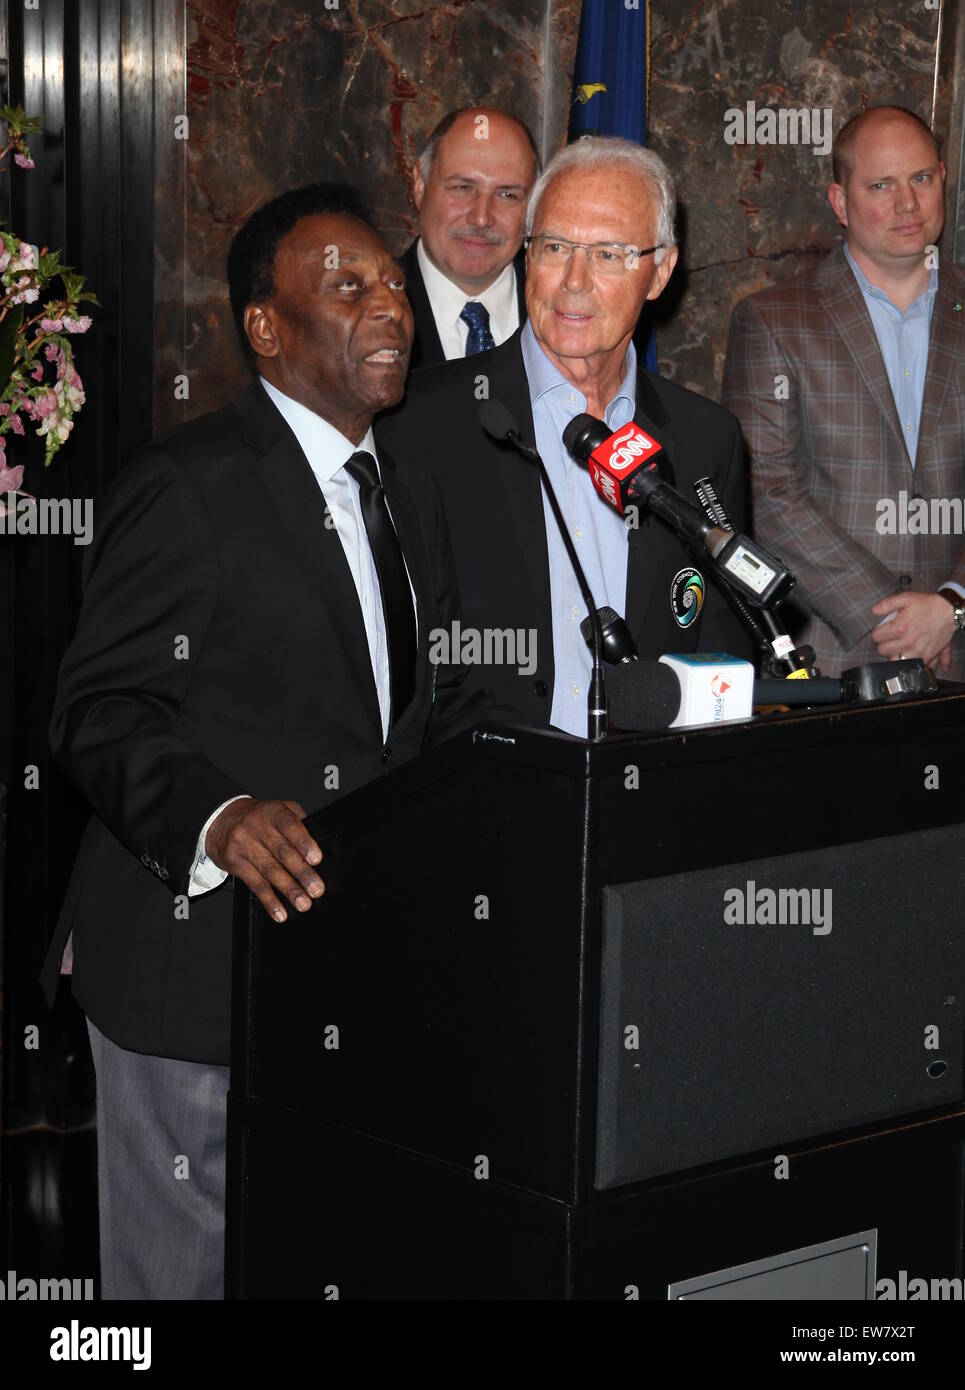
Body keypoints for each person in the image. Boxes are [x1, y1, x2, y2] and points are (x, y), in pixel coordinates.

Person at [40, 182, 491, 1299]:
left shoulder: (408, 494)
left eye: (391, 282)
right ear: (265, 327)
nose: (389, 305)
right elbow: (96, 711)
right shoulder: (188, 485)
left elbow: (398, 725)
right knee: (177, 1284)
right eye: (348, 287)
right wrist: (219, 813)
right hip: (189, 967)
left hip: (338, 976)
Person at [377, 136, 751, 734]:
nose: (573, 282)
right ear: (528, 254)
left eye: (608, 255)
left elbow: (723, 649)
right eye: (554, 247)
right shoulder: (421, 421)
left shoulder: (707, 437)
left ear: (659, 272)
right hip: (481, 791)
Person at [722, 105, 965, 680]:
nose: (908, 204)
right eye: (881, 185)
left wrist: (952, 605)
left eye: (921, 179)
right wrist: (893, 619)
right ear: (840, 202)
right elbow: (766, 493)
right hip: (829, 656)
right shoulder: (774, 320)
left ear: (943, 179)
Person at [402, 106, 539, 370]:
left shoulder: (566, 314)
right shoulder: (365, 312)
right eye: (462, 188)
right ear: (420, 185)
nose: (481, 218)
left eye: (507, 195)